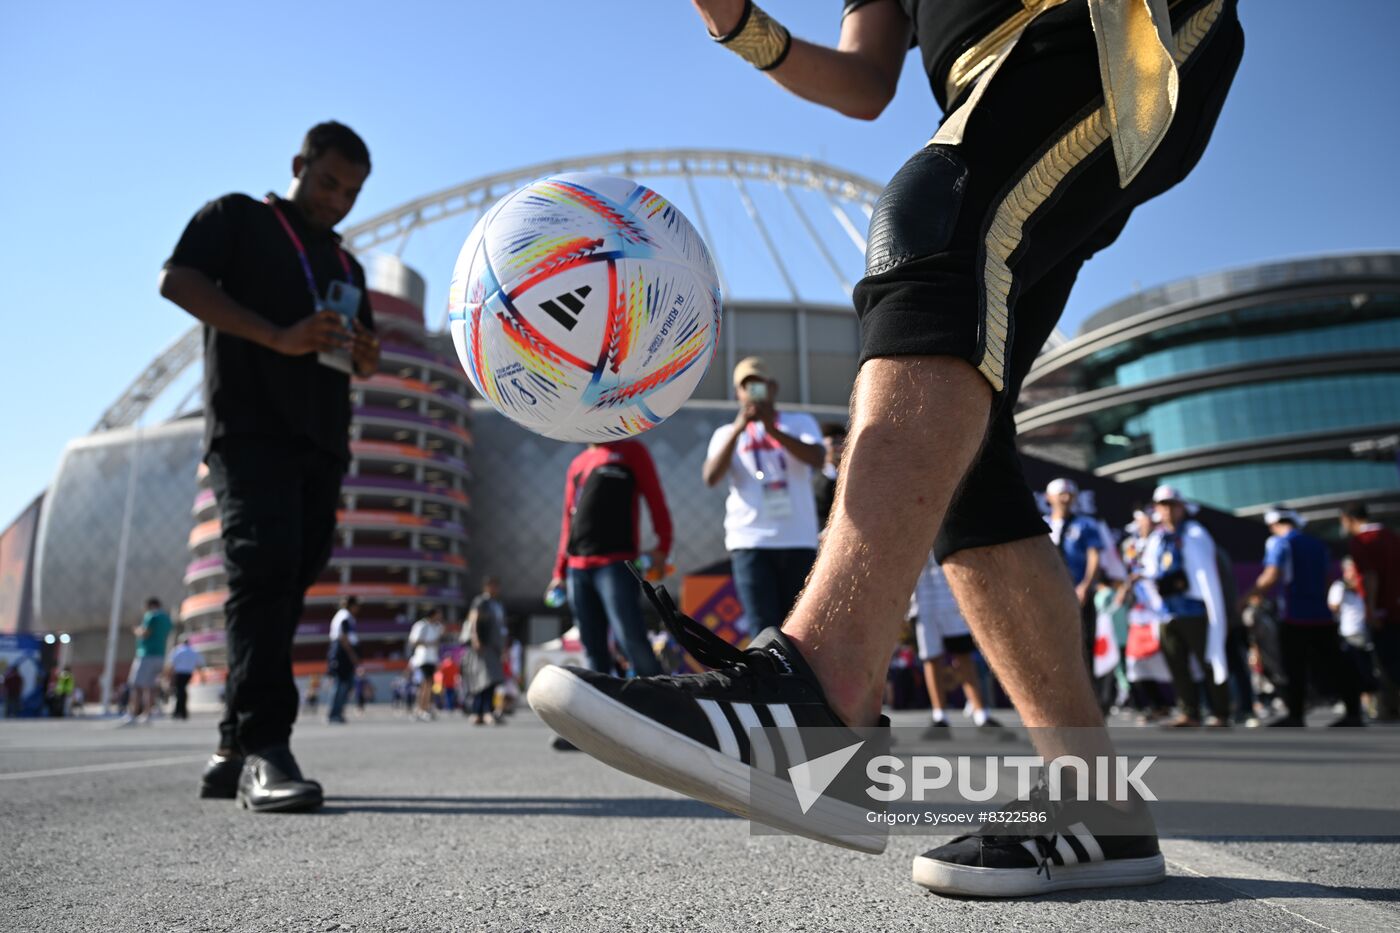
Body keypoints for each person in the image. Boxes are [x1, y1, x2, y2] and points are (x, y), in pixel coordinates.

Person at [531, 0, 1243, 897]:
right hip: (989, 81)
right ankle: (1094, 801)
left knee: (929, 227)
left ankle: (820, 693)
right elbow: (868, 82)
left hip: (1104, 26)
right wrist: (736, 21)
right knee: (961, 447)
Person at [161, 121, 379, 811]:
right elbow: (177, 280)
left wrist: (365, 356)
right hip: (250, 429)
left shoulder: (348, 267)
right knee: (262, 570)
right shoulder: (238, 218)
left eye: (350, 193)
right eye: (327, 183)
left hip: (321, 441)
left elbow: (358, 350)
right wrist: (277, 336)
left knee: (287, 583)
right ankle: (266, 749)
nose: (336, 201)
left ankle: (230, 746)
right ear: (299, 164)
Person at [702, 357, 824, 637]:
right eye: (747, 387)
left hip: (798, 540)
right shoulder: (725, 433)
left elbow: (817, 458)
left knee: (801, 629)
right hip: (750, 542)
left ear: (773, 388)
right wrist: (738, 428)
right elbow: (711, 477)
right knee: (762, 628)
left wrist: (772, 430)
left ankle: (798, 681)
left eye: (759, 385)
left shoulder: (799, 422)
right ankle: (771, 681)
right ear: (737, 393)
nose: (752, 392)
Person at [547, 438, 673, 676]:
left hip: (616, 564)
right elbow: (568, 520)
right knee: (593, 647)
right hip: (577, 570)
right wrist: (559, 572)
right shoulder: (578, 463)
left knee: (631, 639)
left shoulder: (631, 451)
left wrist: (663, 547)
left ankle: (662, 698)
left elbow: (656, 500)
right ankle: (600, 707)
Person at [1246, 508, 1362, 727]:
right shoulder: (1317, 544)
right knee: (1335, 664)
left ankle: (1296, 714)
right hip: (1322, 615)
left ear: (1274, 524)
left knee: (1293, 667)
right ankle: (1353, 711)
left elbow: (1270, 575)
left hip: (1295, 615)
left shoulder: (1280, 543)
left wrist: (1244, 600)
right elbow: (1327, 579)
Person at [1142, 486, 1230, 727]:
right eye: (1163, 505)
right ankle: (1189, 711)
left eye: (1172, 504)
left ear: (1181, 507)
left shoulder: (1194, 533)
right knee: (1176, 664)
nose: (1168, 510)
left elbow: (1204, 573)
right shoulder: (1156, 539)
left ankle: (1220, 711)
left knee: (1208, 660)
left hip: (1193, 609)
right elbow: (1150, 571)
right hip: (1167, 611)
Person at [911, 551, 1001, 733]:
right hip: (922, 599)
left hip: (951, 595)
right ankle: (940, 715)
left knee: (962, 655)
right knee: (931, 657)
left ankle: (980, 713)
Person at [1044, 479, 1105, 702]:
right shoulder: (1042, 525)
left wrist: (1085, 586)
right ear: (1048, 498)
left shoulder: (1086, 524)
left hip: (1079, 593)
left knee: (1084, 642)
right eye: (1061, 494)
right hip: (1051, 596)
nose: (1066, 498)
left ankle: (1090, 697)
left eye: (1070, 494)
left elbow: (1094, 556)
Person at [1340, 501, 1400, 720]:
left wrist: (1371, 609)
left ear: (1349, 519)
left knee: (1385, 661)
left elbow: (1370, 576)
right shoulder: (1391, 535)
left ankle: (1390, 709)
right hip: (1396, 606)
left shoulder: (1361, 542)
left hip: (1383, 610)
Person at [1331, 558, 1378, 718]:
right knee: (1354, 670)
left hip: (1365, 632)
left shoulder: (1364, 585)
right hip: (1349, 633)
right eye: (1350, 570)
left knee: (1368, 669)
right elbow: (1333, 606)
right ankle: (1356, 705)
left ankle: (1370, 704)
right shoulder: (1339, 586)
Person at [121, 597, 173, 726]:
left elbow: (145, 632)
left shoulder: (151, 615)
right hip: (160, 655)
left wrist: (136, 630)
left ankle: (132, 713)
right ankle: (147, 714)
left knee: (136, 685)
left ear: (150, 605)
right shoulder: (167, 618)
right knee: (150, 687)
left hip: (146, 654)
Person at [462, 578, 506, 726]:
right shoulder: (481, 601)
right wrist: (475, 639)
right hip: (483, 645)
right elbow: (474, 619)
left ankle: (484, 712)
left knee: (491, 680)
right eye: (493, 586)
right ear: (487, 587)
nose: (496, 589)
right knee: (483, 680)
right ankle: (480, 712)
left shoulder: (497, 604)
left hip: (494, 647)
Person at [327, 597, 361, 724]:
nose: (358, 608)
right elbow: (344, 638)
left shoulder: (345, 616)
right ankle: (334, 714)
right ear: (352, 605)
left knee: (345, 684)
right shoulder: (345, 617)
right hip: (341, 654)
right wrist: (352, 655)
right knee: (340, 684)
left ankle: (337, 712)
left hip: (342, 652)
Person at [408, 607, 445, 721]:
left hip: (432, 658)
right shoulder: (421, 625)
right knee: (426, 684)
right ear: (432, 614)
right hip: (423, 658)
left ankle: (423, 708)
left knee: (429, 684)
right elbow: (413, 641)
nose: (440, 617)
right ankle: (422, 709)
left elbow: (438, 642)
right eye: (438, 614)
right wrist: (429, 643)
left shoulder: (438, 627)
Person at [812, 422, 847, 532]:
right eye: (834, 443)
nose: (840, 448)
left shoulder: (852, 476)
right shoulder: (813, 475)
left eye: (843, 442)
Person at [167, 638, 205, 721]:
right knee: (182, 691)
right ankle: (182, 711)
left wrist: (169, 676)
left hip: (179, 673)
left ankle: (179, 712)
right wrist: (202, 676)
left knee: (180, 692)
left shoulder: (178, 650)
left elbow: (172, 663)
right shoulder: (194, 651)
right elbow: (200, 663)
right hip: (188, 673)